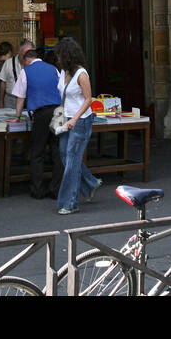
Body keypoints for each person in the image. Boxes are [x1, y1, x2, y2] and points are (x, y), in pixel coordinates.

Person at [55, 38, 102, 214]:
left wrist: (75, 118)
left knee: (72, 159)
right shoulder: (62, 72)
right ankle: (90, 183)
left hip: (80, 120)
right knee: (65, 155)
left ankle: (69, 203)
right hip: (67, 119)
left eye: (60, 54)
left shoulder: (81, 74)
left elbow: (89, 99)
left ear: (67, 55)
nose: (57, 58)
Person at [11, 48, 65, 198]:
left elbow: (20, 97)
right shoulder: (53, 68)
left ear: (26, 60)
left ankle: (38, 190)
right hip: (58, 111)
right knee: (57, 151)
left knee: (37, 152)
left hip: (41, 113)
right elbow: (61, 91)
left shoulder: (26, 71)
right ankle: (56, 189)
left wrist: (17, 116)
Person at [0, 39, 31, 111]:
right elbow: (3, 83)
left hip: (28, 99)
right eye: (24, 54)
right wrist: (1, 102)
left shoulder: (33, 63)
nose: (26, 57)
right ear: (19, 52)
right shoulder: (8, 63)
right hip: (11, 99)